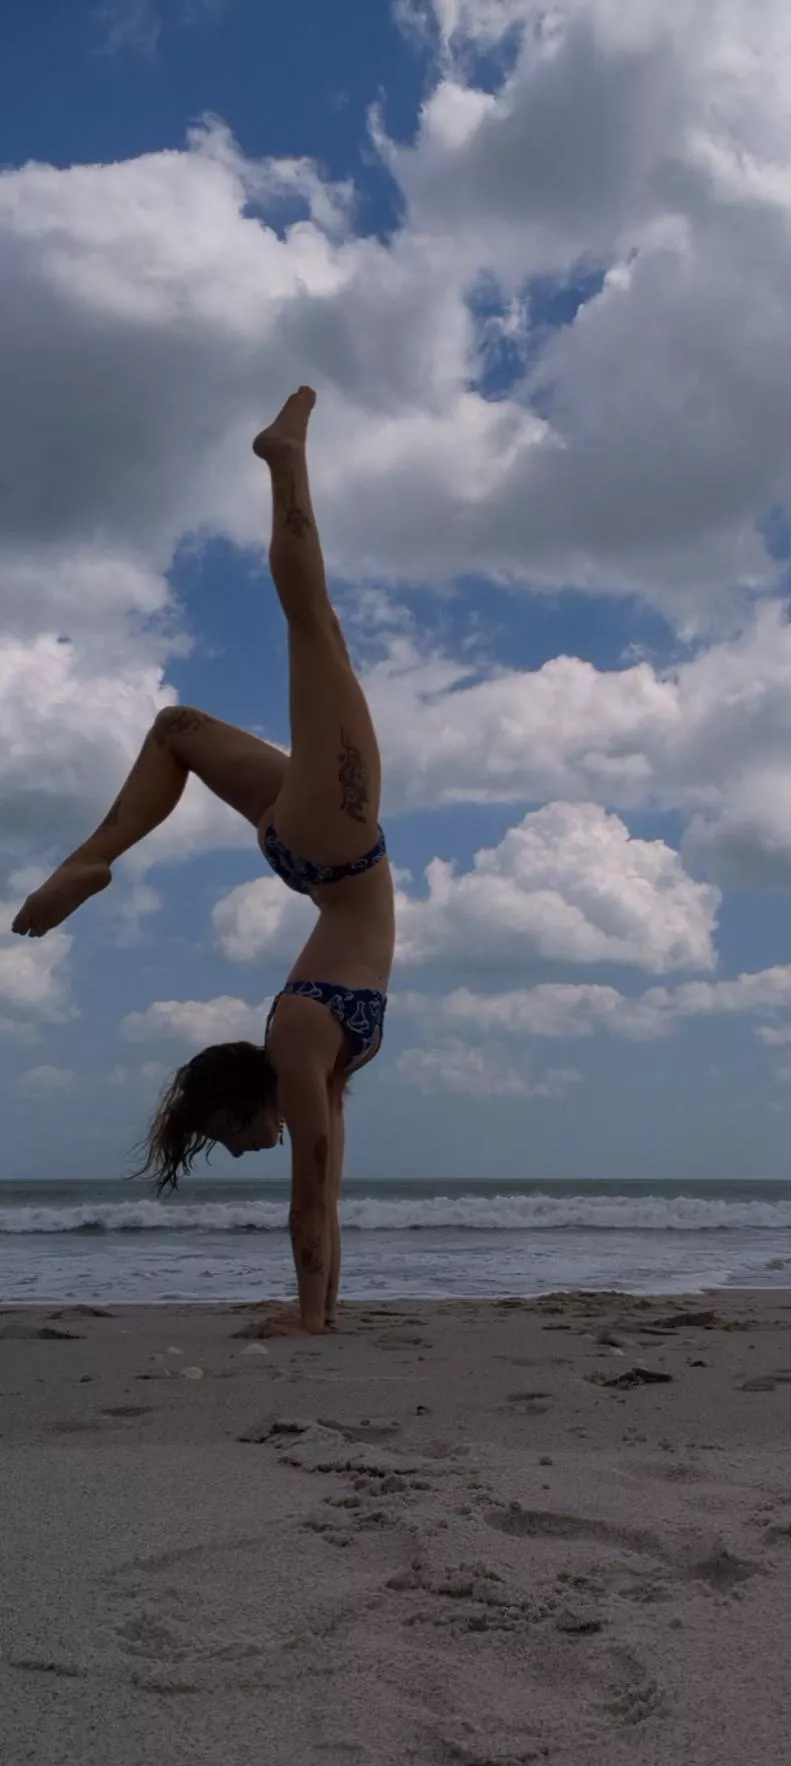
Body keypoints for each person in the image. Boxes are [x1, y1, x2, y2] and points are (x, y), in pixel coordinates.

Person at [11, 387, 394, 1338]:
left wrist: (305, 1324)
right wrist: (318, 1315)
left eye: (228, 1137)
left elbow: (308, 1197)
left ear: (243, 1098)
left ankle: (284, 458)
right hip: (315, 855)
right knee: (179, 725)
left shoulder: (300, 1046)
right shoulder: (313, 1052)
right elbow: (326, 1192)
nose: (244, 1148)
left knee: (315, 626)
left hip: (332, 844)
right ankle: (93, 856)